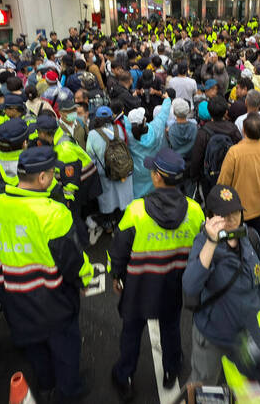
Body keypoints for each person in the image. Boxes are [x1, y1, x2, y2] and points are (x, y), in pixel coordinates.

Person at [0, 146, 93, 403]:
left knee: (35, 348)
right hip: (53, 300)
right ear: (42, 178)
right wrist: (84, 279)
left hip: (13, 299)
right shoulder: (53, 214)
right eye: (52, 173)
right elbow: (72, 261)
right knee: (65, 349)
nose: (54, 177)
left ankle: (46, 386)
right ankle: (69, 392)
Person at [108, 149, 204, 401]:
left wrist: (116, 276)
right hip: (174, 286)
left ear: (157, 177)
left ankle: (124, 376)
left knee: (131, 331)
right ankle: (171, 369)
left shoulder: (136, 210)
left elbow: (118, 251)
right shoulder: (195, 211)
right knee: (171, 327)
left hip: (139, 287)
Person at [183, 184, 260, 385]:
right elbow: (190, 285)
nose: (231, 218)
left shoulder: (251, 238)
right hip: (213, 338)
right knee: (203, 384)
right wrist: (211, 242)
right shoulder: (203, 243)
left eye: (235, 212)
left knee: (246, 384)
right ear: (210, 217)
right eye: (223, 214)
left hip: (246, 336)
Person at [217, 113, 260, 241]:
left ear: (243, 130)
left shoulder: (234, 152)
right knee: (257, 241)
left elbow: (223, 183)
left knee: (239, 243)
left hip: (238, 210)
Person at [86, 105, 133, 241]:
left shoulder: (92, 135)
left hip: (105, 174)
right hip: (123, 171)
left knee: (108, 201)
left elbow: (90, 156)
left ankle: (108, 226)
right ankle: (122, 225)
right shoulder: (119, 129)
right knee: (122, 199)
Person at [189, 96, 242, 200]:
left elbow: (197, 157)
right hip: (230, 174)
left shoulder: (203, 133)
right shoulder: (233, 129)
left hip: (209, 177)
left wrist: (194, 176)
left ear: (209, 112)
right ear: (226, 111)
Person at [124, 94, 171, 198]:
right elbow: (163, 114)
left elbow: (121, 117)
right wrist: (167, 99)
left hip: (136, 173)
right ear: (144, 120)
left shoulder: (128, 133)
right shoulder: (156, 129)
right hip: (152, 171)